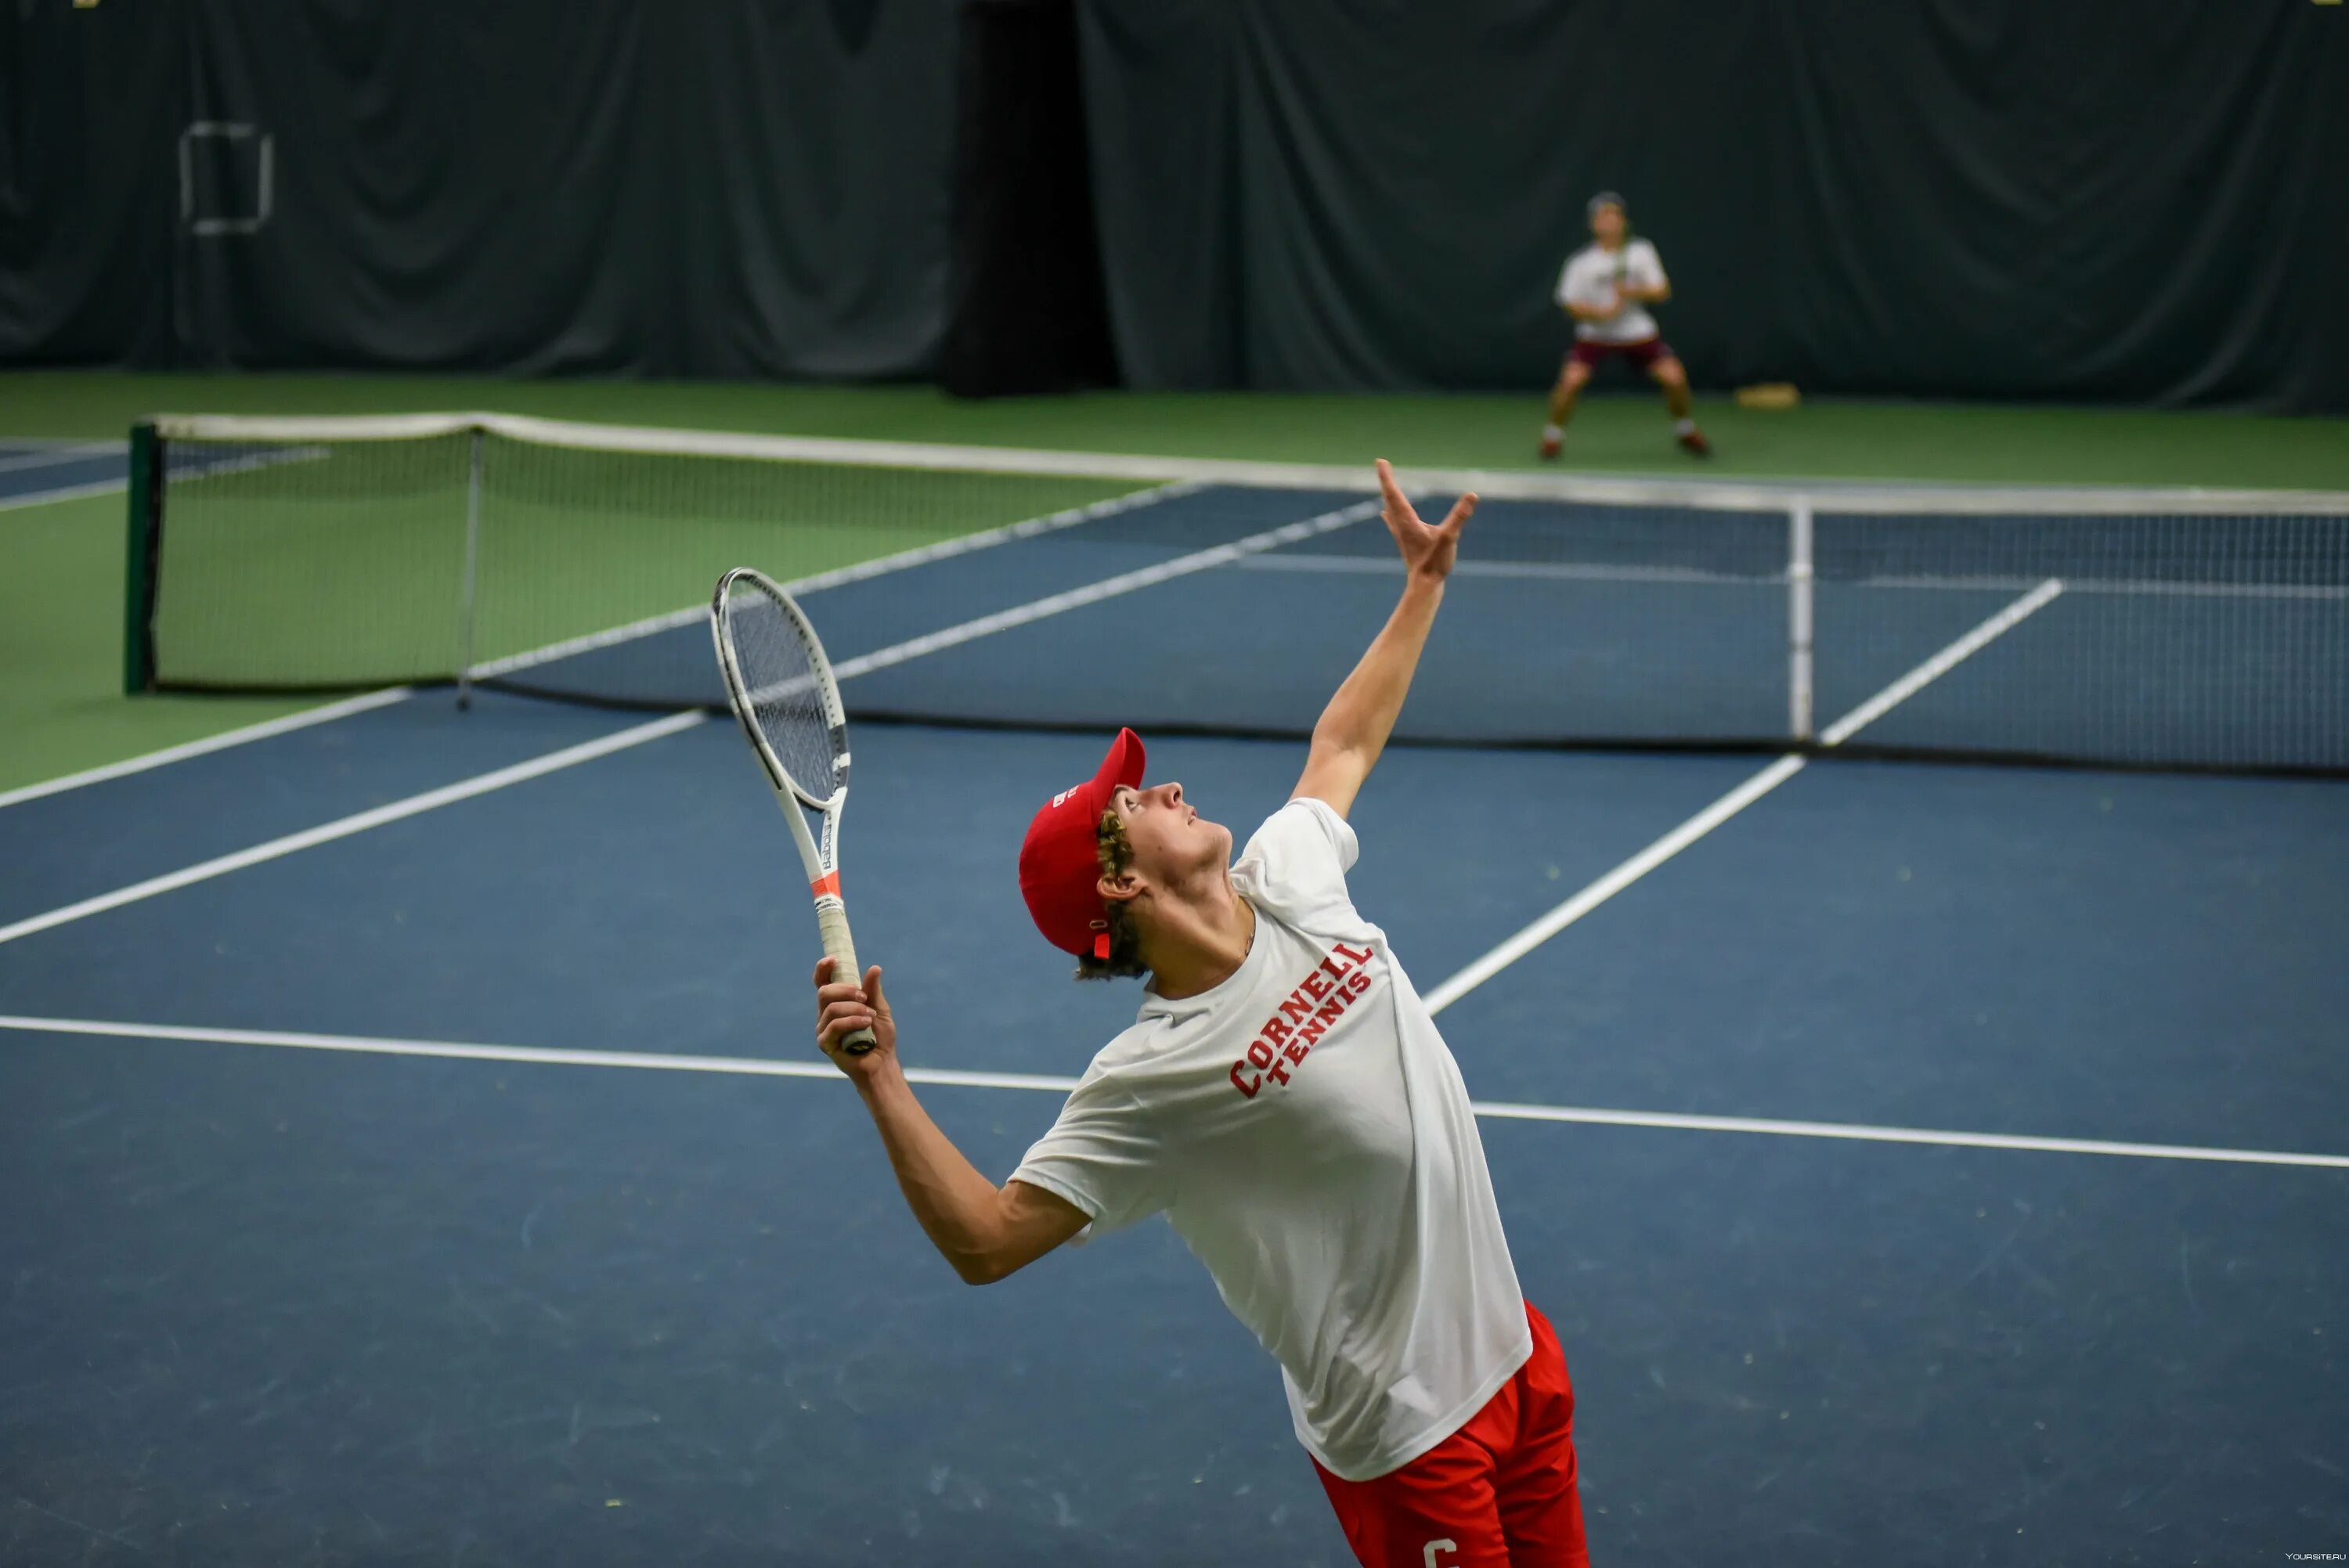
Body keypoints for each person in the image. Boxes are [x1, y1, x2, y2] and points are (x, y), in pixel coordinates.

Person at [812, 460, 1589, 1568]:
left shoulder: (1288, 877)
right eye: (1137, 801)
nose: (1168, 787)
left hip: (1512, 1348)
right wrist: (883, 1079)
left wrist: (1422, 584)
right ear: (1121, 882)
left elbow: (1344, 744)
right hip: (1409, 1432)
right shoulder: (1152, 1076)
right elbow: (988, 1241)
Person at [1541, 191, 1709, 460]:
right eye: (1603, 216)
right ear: (1593, 223)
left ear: (1623, 221)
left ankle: (1685, 429)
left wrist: (1631, 292)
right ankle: (1552, 436)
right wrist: (1600, 314)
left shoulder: (1642, 252)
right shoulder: (1581, 262)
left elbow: (1661, 291)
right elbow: (1569, 303)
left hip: (1638, 334)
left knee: (1674, 379)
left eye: (1614, 215)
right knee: (1571, 383)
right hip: (1594, 336)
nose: (1609, 221)